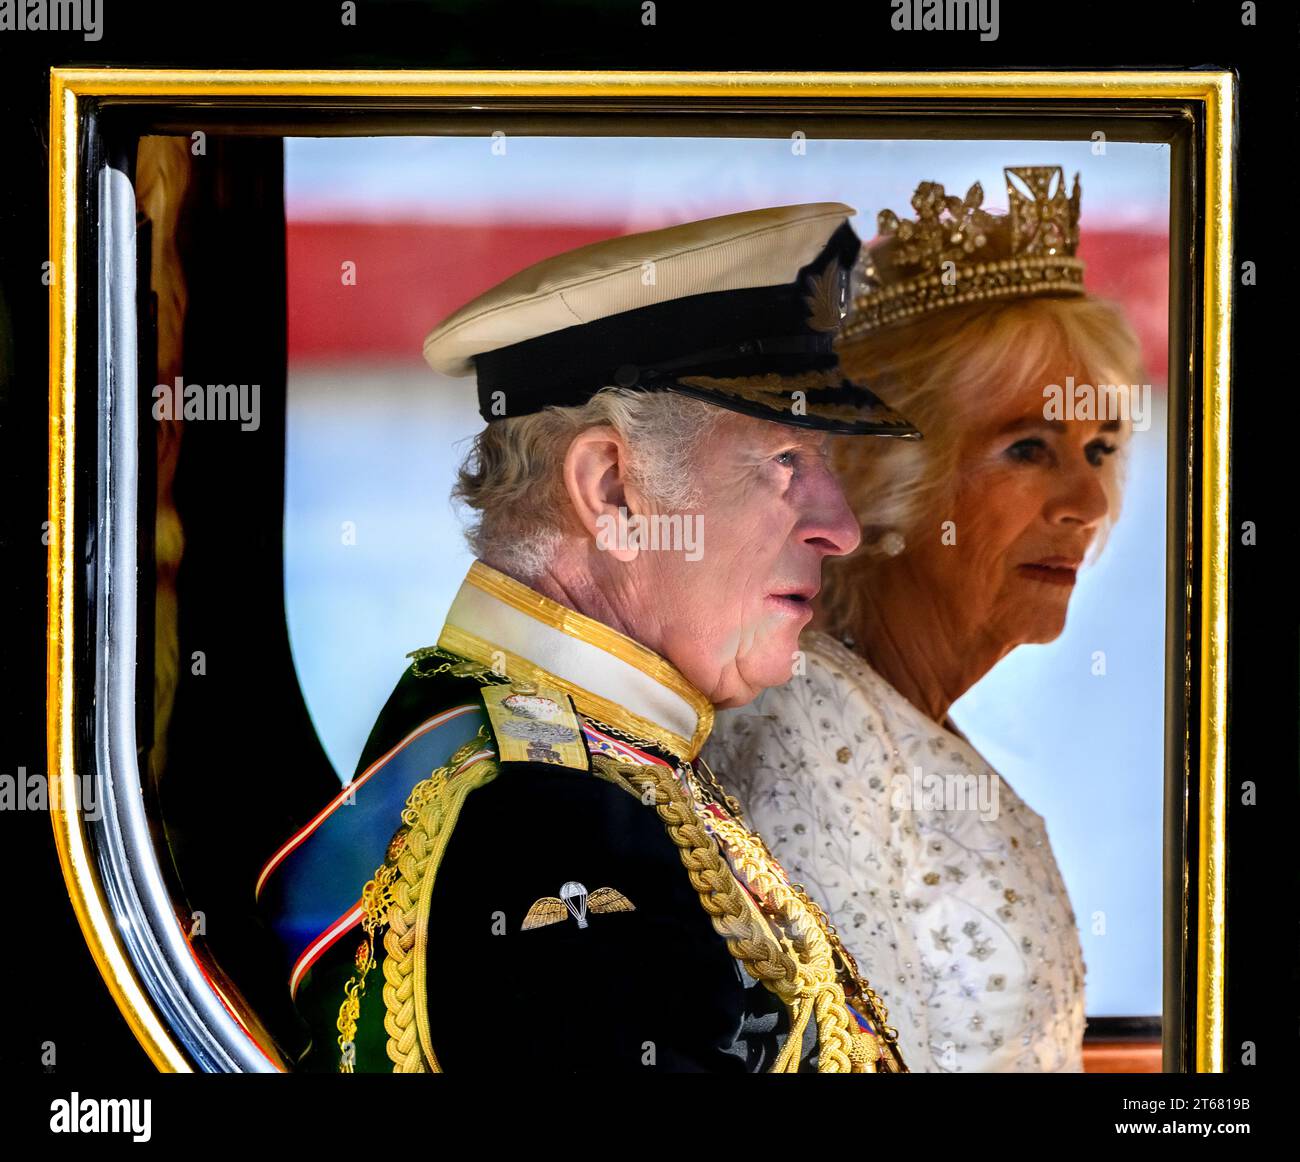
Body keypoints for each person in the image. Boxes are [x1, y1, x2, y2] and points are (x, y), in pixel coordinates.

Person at [255, 202, 922, 1073]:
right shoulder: (545, 817)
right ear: (610, 489)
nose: (841, 527)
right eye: (786, 463)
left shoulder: (580, 762)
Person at [705, 168, 1146, 1072]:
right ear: (886, 477)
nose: (1087, 500)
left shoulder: (894, 714)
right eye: (1028, 448)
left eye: (1100, 450)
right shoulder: (810, 719)